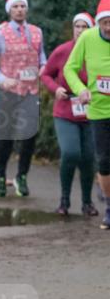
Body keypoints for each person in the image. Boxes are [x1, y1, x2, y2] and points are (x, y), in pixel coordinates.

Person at [0, 0, 46, 197]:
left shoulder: (37, 32)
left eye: (22, 6)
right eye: (15, 7)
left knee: (29, 136)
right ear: (9, 11)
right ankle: (0, 176)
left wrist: (45, 68)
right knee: (4, 137)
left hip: (30, 91)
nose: (19, 9)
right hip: (7, 92)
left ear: (27, 9)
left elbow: (41, 56)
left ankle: (22, 176)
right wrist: (1, 79)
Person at [41, 12, 97, 216]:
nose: (80, 31)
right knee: (71, 152)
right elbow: (46, 74)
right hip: (65, 110)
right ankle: (64, 200)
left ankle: (87, 202)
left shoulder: (97, 50)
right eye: (77, 26)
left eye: (85, 27)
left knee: (89, 157)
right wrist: (55, 89)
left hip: (91, 111)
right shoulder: (63, 51)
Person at [65, 0, 110, 230]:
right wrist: (81, 89)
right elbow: (69, 68)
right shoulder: (88, 38)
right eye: (105, 22)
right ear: (99, 23)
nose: (109, 27)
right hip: (99, 110)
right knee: (104, 161)